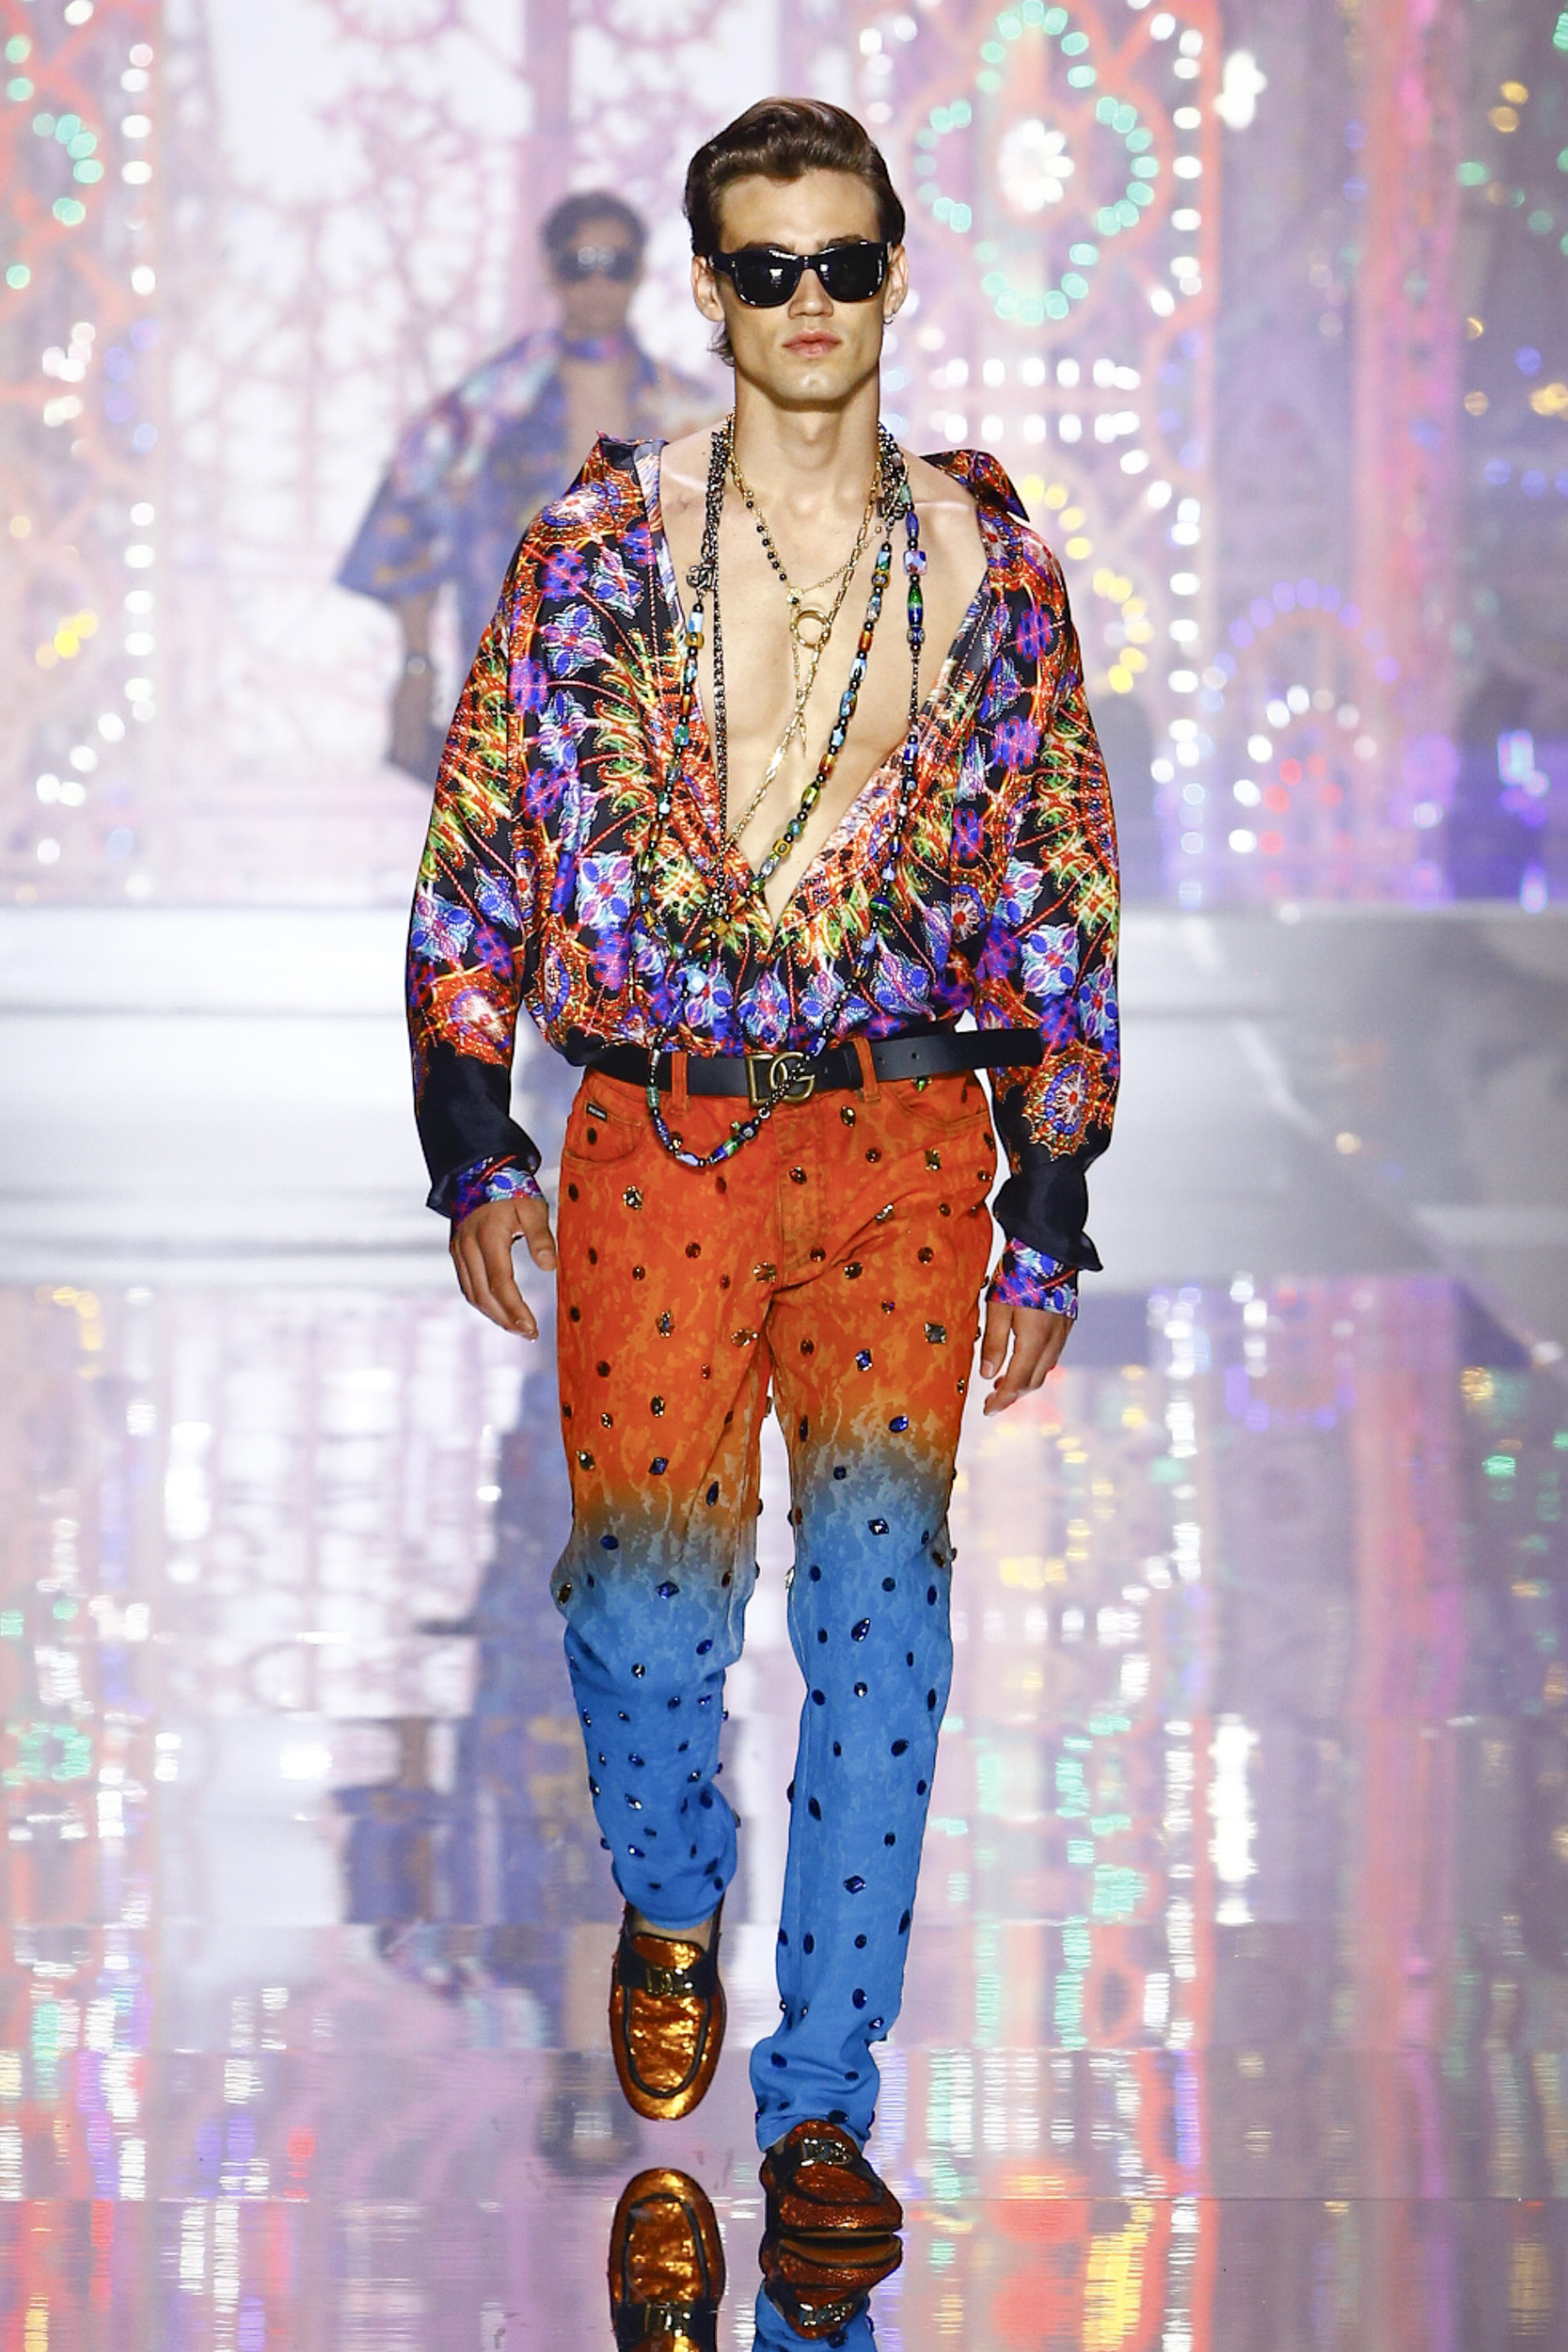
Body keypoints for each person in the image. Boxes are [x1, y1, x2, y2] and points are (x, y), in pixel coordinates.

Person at [404, 96, 1118, 2349]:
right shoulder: (595, 552)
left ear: (893, 271)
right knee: (641, 1613)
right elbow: (483, 830)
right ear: (710, 291)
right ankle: (671, 1895)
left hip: (902, 1146)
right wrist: (468, 1127)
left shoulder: (988, 558)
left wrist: (1052, 1183)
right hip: (662, 1139)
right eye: (767, 266)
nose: (809, 302)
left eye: (844, 261)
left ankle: (822, 2106)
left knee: (882, 1621)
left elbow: (1059, 866)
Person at [341, 190, 713, 780]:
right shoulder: (490, 407)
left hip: (649, 709)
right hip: (514, 697)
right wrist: (417, 665)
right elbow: (410, 513)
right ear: (551, 269)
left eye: (615, 264)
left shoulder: (690, 416)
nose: (598, 284)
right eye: (580, 264)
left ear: (640, 269)